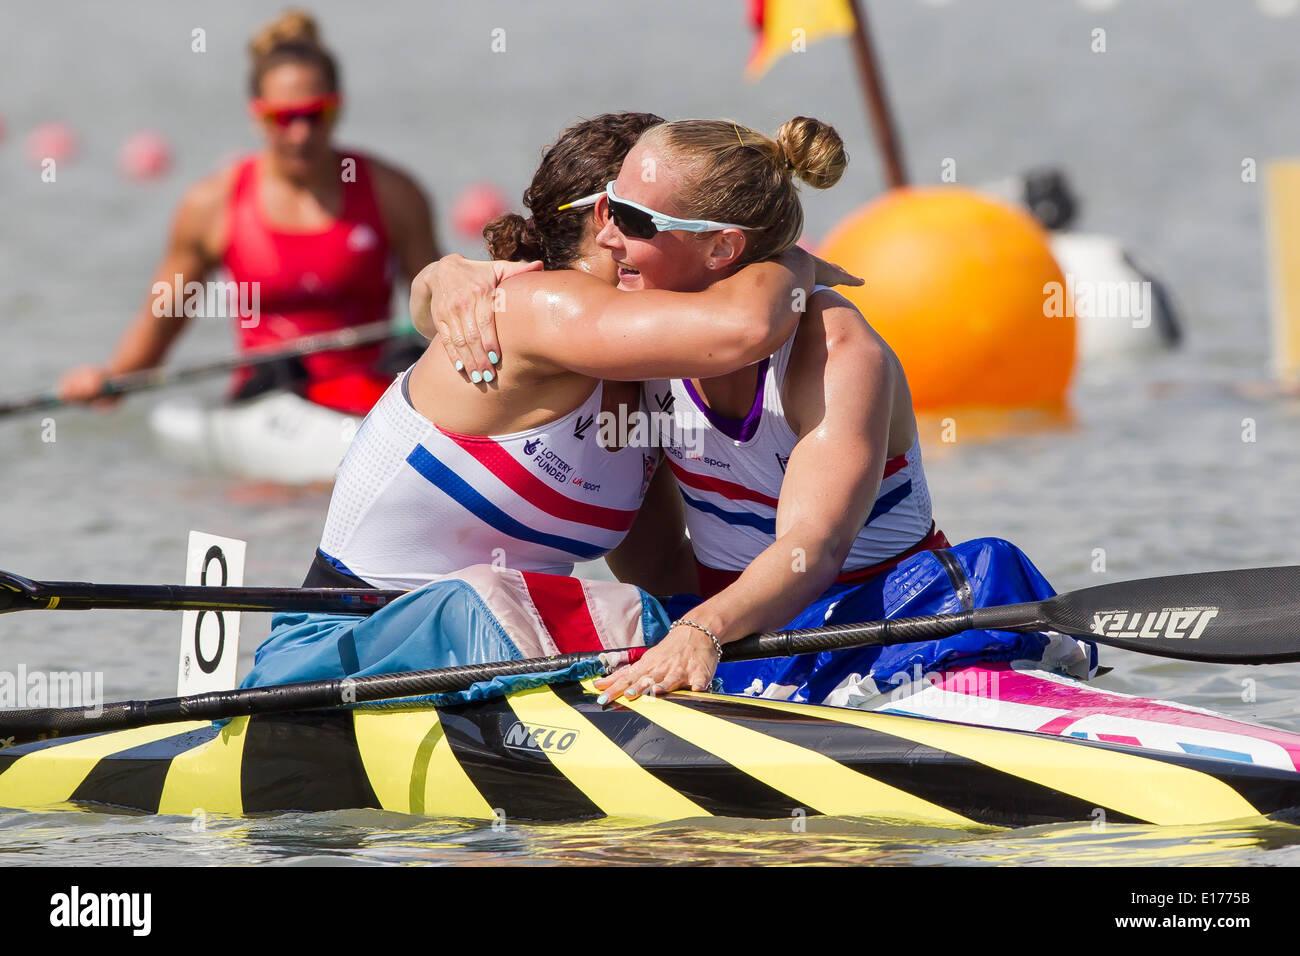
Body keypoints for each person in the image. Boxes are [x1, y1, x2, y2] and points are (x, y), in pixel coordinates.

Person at [425, 117, 1096, 707]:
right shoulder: (632, 329)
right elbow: (449, 320)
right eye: (606, 210)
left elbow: (814, 549)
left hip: (887, 618)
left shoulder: (834, 351)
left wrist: (701, 631)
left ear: (721, 249)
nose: (609, 239)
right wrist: (444, 278)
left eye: (633, 221)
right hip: (742, 632)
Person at [240, 111, 851, 688]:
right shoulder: (536, 308)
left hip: (494, 651)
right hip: (341, 649)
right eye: (644, 214)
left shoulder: (640, 383)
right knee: (535, 602)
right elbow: (742, 330)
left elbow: (665, 570)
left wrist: (763, 642)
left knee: (652, 612)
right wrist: (787, 258)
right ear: (602, 218)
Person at [59, 10, 439, 417]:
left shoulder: (395, 194)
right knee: (278, 375)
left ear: (338, 108)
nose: (301, 134)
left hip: (370, 397)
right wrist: (113, 377)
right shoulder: (211, 204)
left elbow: (439, 311)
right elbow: (167, 315)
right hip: (267, 400)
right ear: (257, 115)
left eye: (316, 114)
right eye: (284, 118)